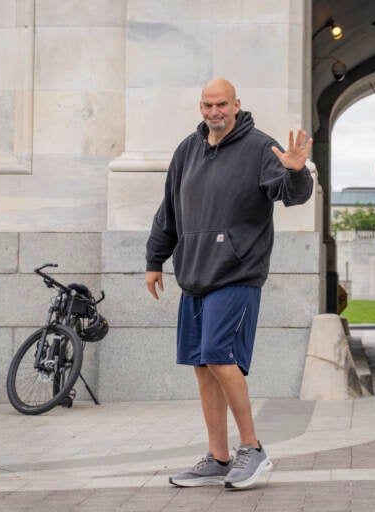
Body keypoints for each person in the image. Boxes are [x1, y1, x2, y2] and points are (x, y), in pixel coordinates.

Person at [145, 78, 313, 489]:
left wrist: (296, 171)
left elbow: (293, 194)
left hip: (237, 275)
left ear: (236, 104)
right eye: (207, 105)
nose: (214, 112)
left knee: (221, 357)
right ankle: (218, 457)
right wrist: (155, 260)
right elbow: (169, 208)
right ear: (200, 106)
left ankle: (252, 449)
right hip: (194, 275)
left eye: (221, 104)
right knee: (203, 367)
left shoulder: (260, 147)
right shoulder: (187, 149)